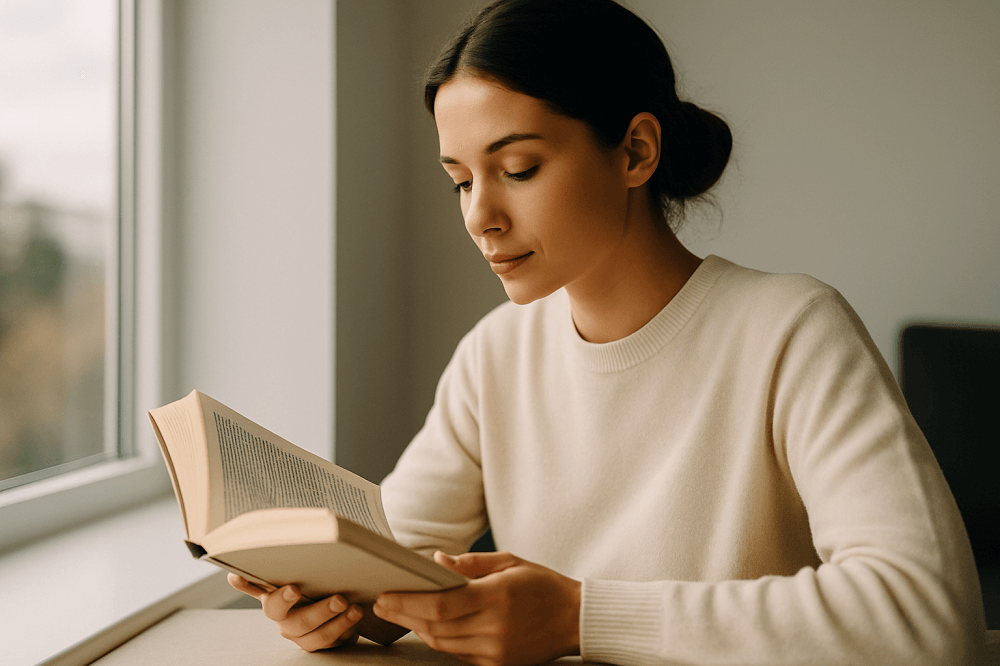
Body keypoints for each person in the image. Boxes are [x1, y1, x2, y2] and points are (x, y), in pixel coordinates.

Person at [228, 1, 986, 664]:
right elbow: (393, 561)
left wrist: (578, 616)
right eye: (460, 179)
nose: (479, 216)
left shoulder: (792, 331)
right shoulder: (496, 355)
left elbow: (926, 616)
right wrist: (343, 608)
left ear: (635, 152)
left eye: (518, 169)